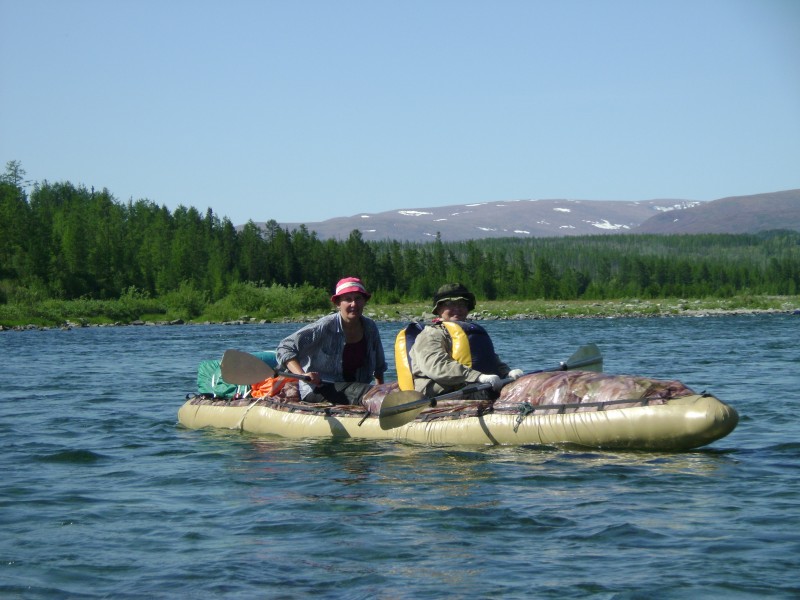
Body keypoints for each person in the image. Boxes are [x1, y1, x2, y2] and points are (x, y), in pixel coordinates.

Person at [276, 277, 387, 405]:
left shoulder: (370, 327)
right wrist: (303, 375)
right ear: (338, 303)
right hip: (319, 388)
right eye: (348, 299)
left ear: (364, 301)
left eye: (358, 298)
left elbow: (379, 367)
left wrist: (382, 390)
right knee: (364, 392)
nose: (354, 304)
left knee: (387, 390)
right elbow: (284, 347)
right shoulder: (324, 326)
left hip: (355, 386)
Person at [407, 283, 523, 399]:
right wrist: (477, 377)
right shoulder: (431, 334)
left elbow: (490, 360)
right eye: (450, 304)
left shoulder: (470, 333)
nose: (457, 309)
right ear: (438, 308)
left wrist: (507, 373)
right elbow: (436, 366)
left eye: (462, 304)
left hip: (475, 386)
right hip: (439, 394)